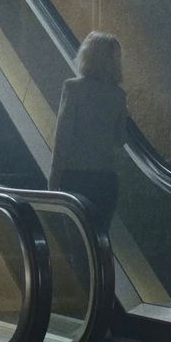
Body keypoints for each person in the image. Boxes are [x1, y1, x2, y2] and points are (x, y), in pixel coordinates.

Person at [48, 32, 127, 229]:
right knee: (101, 243)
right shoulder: (118, 95)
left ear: (87, 56)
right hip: (106, 180)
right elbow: (120, 139)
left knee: (79, 244)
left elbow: (62, 139)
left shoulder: (72, 88)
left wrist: (54, 179)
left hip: (76, 178)